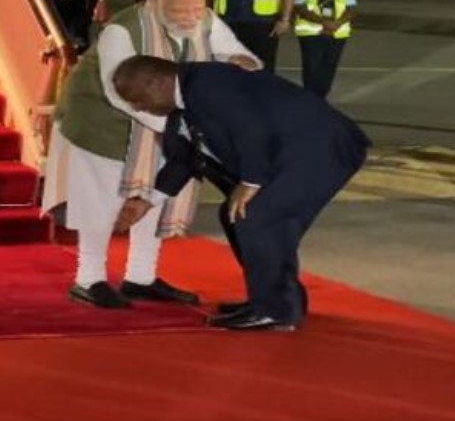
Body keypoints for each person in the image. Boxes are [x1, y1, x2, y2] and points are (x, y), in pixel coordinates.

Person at [41, 0, 261, 309]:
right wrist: (181, 130)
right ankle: (88, 279)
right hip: (101, 122)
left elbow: (237, 55)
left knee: (155, 197)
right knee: (101, 201)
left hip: (165, 118)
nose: (190, 18)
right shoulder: (122, 30)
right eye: (180, 11)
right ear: (153, 3)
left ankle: (140, 277)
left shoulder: (203, 18)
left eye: (197, 9)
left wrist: (241, 63)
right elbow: (119, 93)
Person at [111, 56, 371, 330]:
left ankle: (274, 310)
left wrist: (251, 181)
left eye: (137, 99)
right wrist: (147, 202)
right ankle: (274, 300)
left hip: (321, 145)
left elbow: (251, 128)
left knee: (258, 217)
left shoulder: (208, 83)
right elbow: (185, 160)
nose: (138, 108)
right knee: (237, 216)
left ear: (155, 83)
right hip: (295, 150)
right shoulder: (184, 103)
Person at [293, 0, 357, 98]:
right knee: (312, 66)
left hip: (337, 33)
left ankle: (322, 96)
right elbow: (300, 9)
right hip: (312, 33)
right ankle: (310, 96)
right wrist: (324, 23)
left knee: (329, 66)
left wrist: (337, 23)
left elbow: (351, 9)